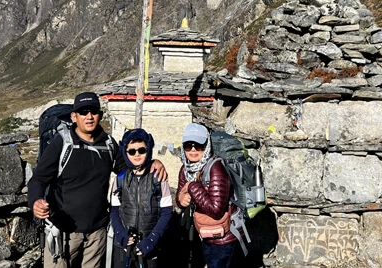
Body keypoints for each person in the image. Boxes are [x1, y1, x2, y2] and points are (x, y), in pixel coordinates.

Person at [28, 92, 167, 268]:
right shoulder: (62, 143)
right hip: (64, 232)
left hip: (97, 233)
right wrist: (36, 201)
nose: (89, 116)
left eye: (93, 111)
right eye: (83, 112)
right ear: (74, 116)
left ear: (100, 115)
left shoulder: (108, 144)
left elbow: (129, 168)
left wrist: (153, 162)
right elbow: (38, 179)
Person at [176, 123, 239, 268]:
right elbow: (181, 199)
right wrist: (180, 200)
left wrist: (192, 187)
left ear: (207, 146)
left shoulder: (216, 168)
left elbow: (216, 210)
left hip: (223, 238)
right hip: (204, 235)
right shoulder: (186, 169)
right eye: (188, 145)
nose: (193, 150)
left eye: (198, 145)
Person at [110, 128, 172, 268]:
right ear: (125, 153)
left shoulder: (158, 178)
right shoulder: (120, 179)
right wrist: (121, 235)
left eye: (141, 150)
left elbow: (166, 212)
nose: (136, 154)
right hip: (125, 246)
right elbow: (114, 211)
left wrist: (152, 239)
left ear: (148, 150)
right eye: (131, 151)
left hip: (150, 245)